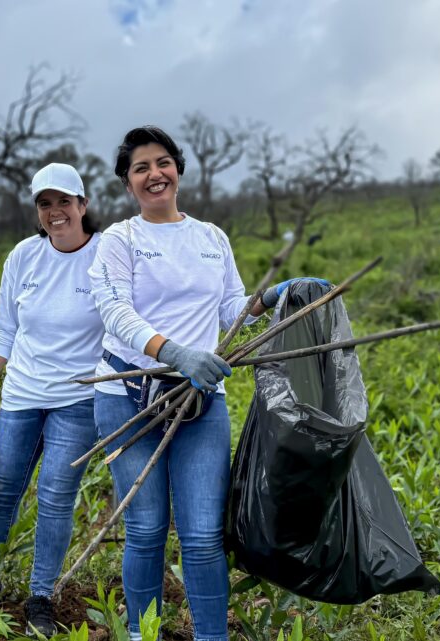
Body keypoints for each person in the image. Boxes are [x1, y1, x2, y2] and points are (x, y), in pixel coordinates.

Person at [87, 125, 324, 641]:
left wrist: (275, 297)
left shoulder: (211, 237)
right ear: (128, 183)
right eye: (141, 168)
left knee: (200, 536)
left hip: (199, 401)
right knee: (146, 531)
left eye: (163, 162)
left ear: (178, 170)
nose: (155, 174)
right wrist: (172, 352)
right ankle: (142, 635)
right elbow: (114, 311)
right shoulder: (119, 240)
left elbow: (230, 310)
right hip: (129, 398)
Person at [0, 162, 104, 636]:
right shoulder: (24, 255)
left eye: (64, 201)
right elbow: (6, 327)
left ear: (83, 204)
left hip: (78, 399)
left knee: (56, 496)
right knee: (2, 492)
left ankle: (41, 597)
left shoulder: (106, 254)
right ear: (38, 212)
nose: (55, 211)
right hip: (23, 393)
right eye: (45, 204)